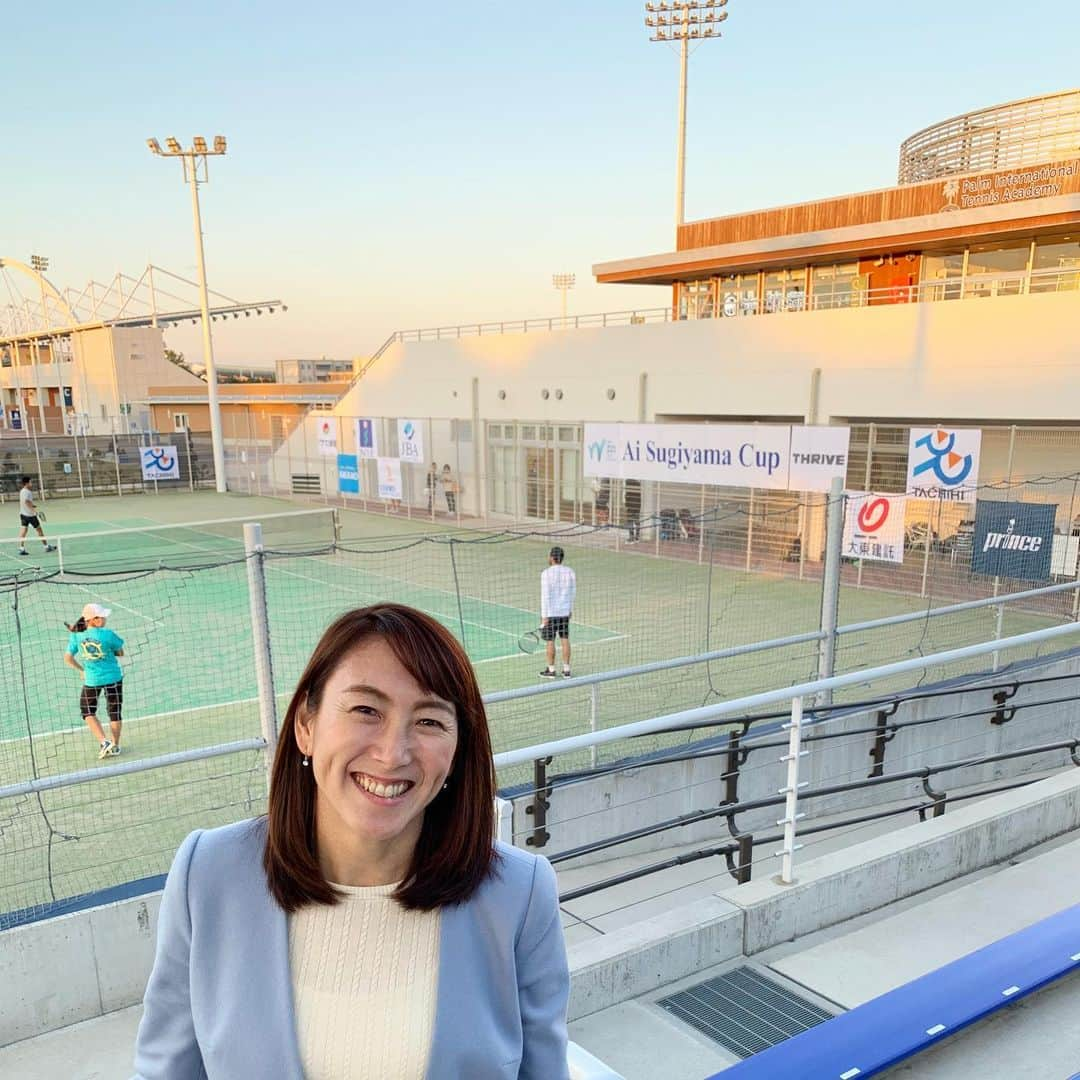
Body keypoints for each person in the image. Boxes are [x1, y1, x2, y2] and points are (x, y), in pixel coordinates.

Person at [134, 603, 570, 1080]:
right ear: (306, 726)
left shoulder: (520, 895)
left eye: (429, 721)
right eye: (366, 709)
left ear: (457, 750)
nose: (392, 752)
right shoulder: (208, 873)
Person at [63, 603, 125, 759]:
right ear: (94, 619)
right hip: (114, 678)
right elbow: (121, 652)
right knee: (114, 712)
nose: (105, 619)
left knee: (88, 711)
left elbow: (68, 658)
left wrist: (82, 670)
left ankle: (104, 742)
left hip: (92, 679)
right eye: (102, 616)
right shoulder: (108, 634)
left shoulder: (76, 636)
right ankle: (115, 745)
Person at [539, 546, 576, 679]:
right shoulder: (570, 572)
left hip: (551, 613)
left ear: (552, 557)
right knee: (565, 639)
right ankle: (566, 670)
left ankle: (551, 669)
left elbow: (545, 596)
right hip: (564, 613)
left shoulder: (546, 574)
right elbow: (573, 592)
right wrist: (570, 609)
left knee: (550, 641)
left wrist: (544, 616)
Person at [17, 475, 55, 556]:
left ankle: (21, 548)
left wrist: (33, 505)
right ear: (26, 483)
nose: (32, 483)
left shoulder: (22, 491)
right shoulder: (27, 492)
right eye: (31, 482)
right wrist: (35, 511)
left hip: (23, 514)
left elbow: (27, 502)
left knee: (24, 530)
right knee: (39, 530)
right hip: (30, 516)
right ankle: (46, 547)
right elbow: (26, 502)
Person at [624, 479, 642, 543]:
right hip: (637, 506)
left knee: (630, 521)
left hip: (631, 507)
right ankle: (637, 537)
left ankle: (631, 537)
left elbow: (627, 499)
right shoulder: (638, 485)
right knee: (637, 521)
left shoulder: (629, 486)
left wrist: (626, 503)